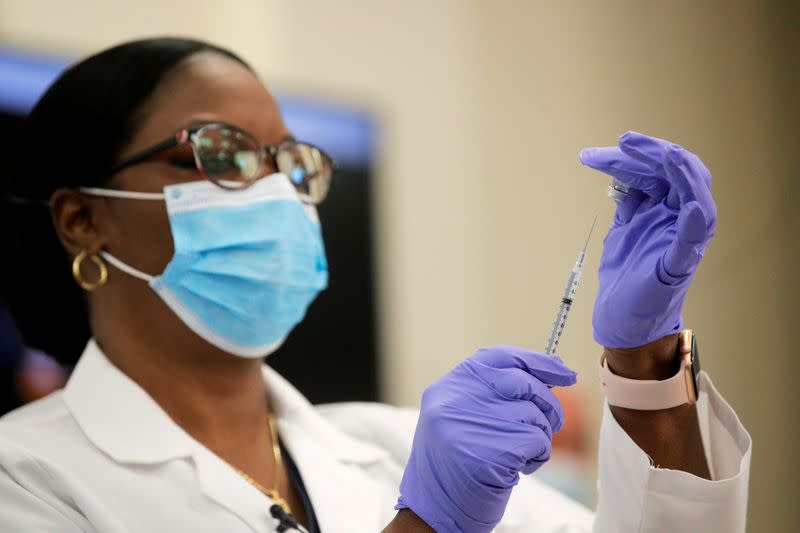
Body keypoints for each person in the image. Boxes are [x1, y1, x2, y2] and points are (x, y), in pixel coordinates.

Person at [0, 38, 750, 532]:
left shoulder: (392, 445)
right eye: (224, 153)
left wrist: (645, 362)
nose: (277, 193)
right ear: (83, 218)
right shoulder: (24, 478)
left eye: (291, 162)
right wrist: (425, 523)